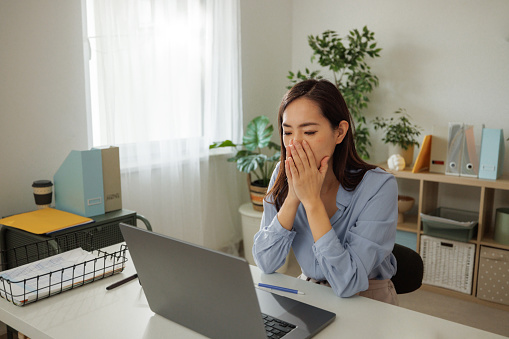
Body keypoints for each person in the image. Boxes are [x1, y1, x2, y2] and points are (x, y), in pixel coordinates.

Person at [252, 79, 399, 305]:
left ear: (339, 132)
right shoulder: (283, 173)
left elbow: (348, 283)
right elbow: (265, 262)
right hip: (309, 291)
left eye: (309, 132)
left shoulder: (379, 186)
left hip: (367, 299)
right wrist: (293, 196)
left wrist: (311, 203)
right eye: (287, 132)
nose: (295, 144)